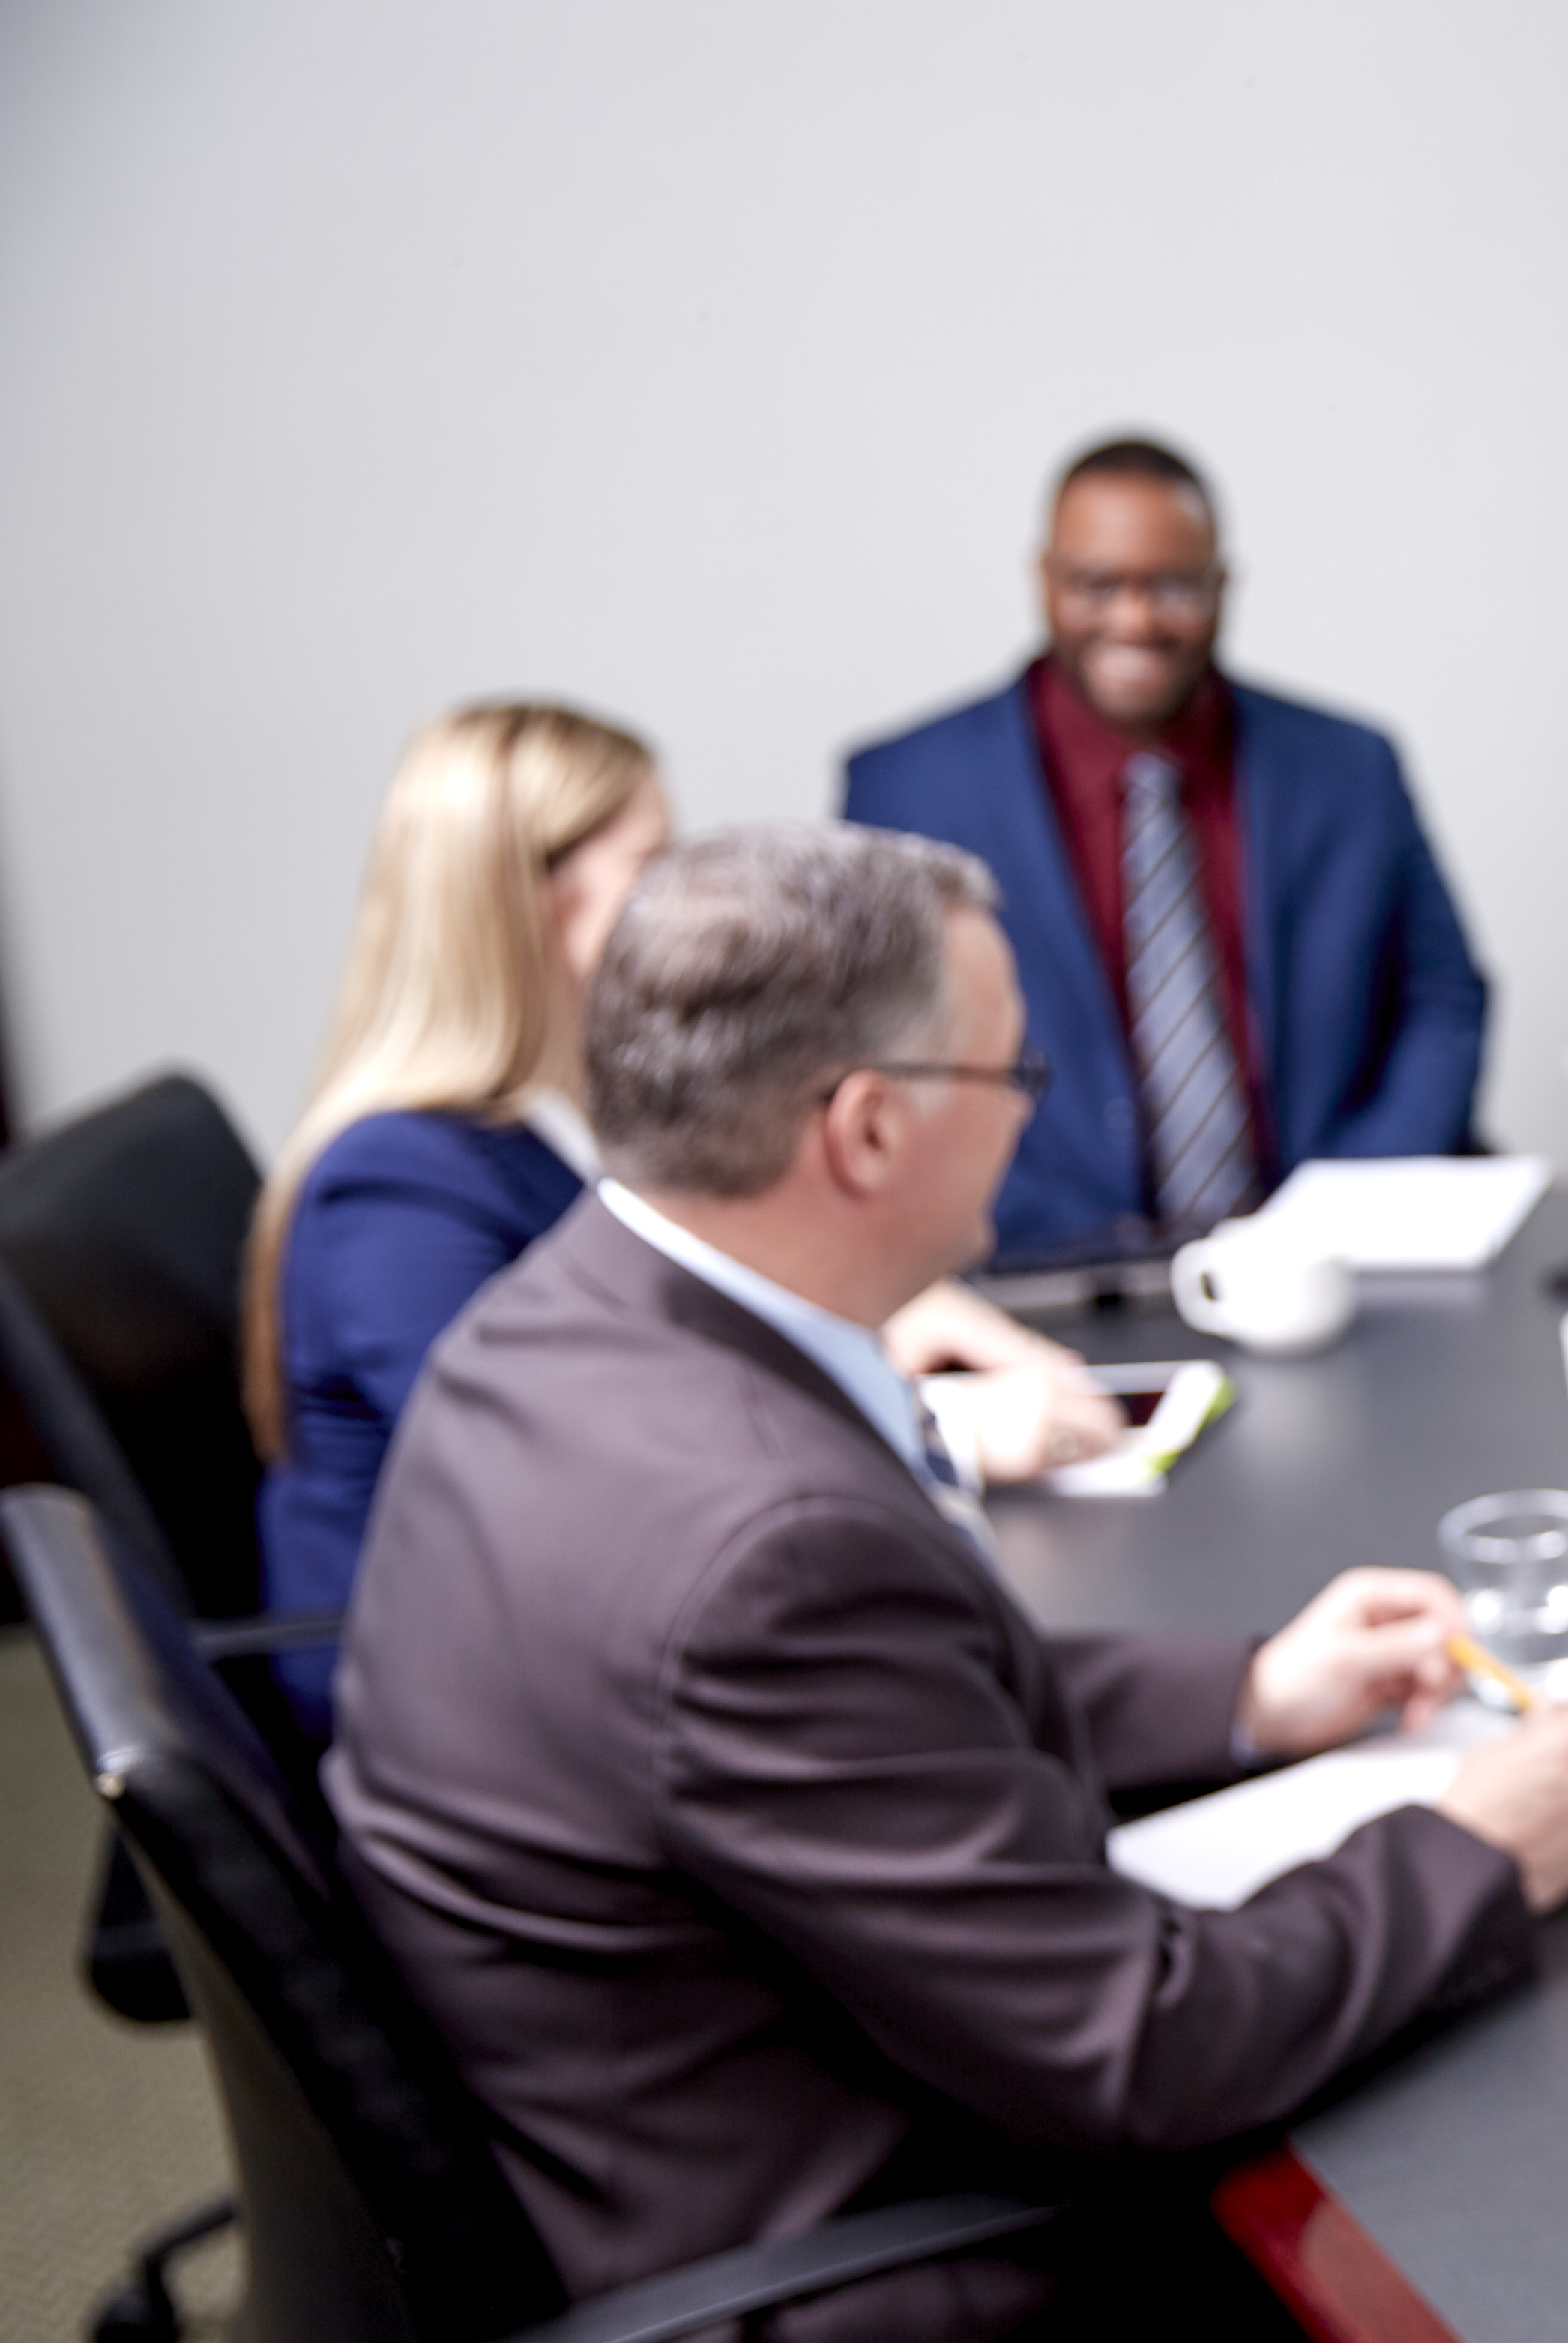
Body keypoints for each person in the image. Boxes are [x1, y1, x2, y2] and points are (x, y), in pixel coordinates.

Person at [325, 823, 1568, 2343]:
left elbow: (866, 1734)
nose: (1032, 1116)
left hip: (647, 2175)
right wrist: (1473, 1848)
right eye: (1010, 1073)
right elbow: (1139, 2048)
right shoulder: (756, 1535)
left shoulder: (575, 1318)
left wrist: (1246, 1696)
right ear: (863, 1127)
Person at [250, 704, 1118, 1733]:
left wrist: (883, 1307)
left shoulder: (550, 1122)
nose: (684, 898)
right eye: (650, 862)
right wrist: (947, 1430)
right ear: (527, 903)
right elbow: (576, 1476)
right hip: (456, 1713)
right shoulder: (394, 1186)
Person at [842, 433, 1492, 1260]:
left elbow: (1442, 1000)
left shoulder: (1348, 765)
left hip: (1329, 1268)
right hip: (1040, 1275)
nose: (1136, 619)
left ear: (1224, 587)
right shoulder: (906, 790)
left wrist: (1344, 1210)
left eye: (1174, 587)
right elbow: (880, 1053)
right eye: (1097, 584)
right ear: (1045, 581)